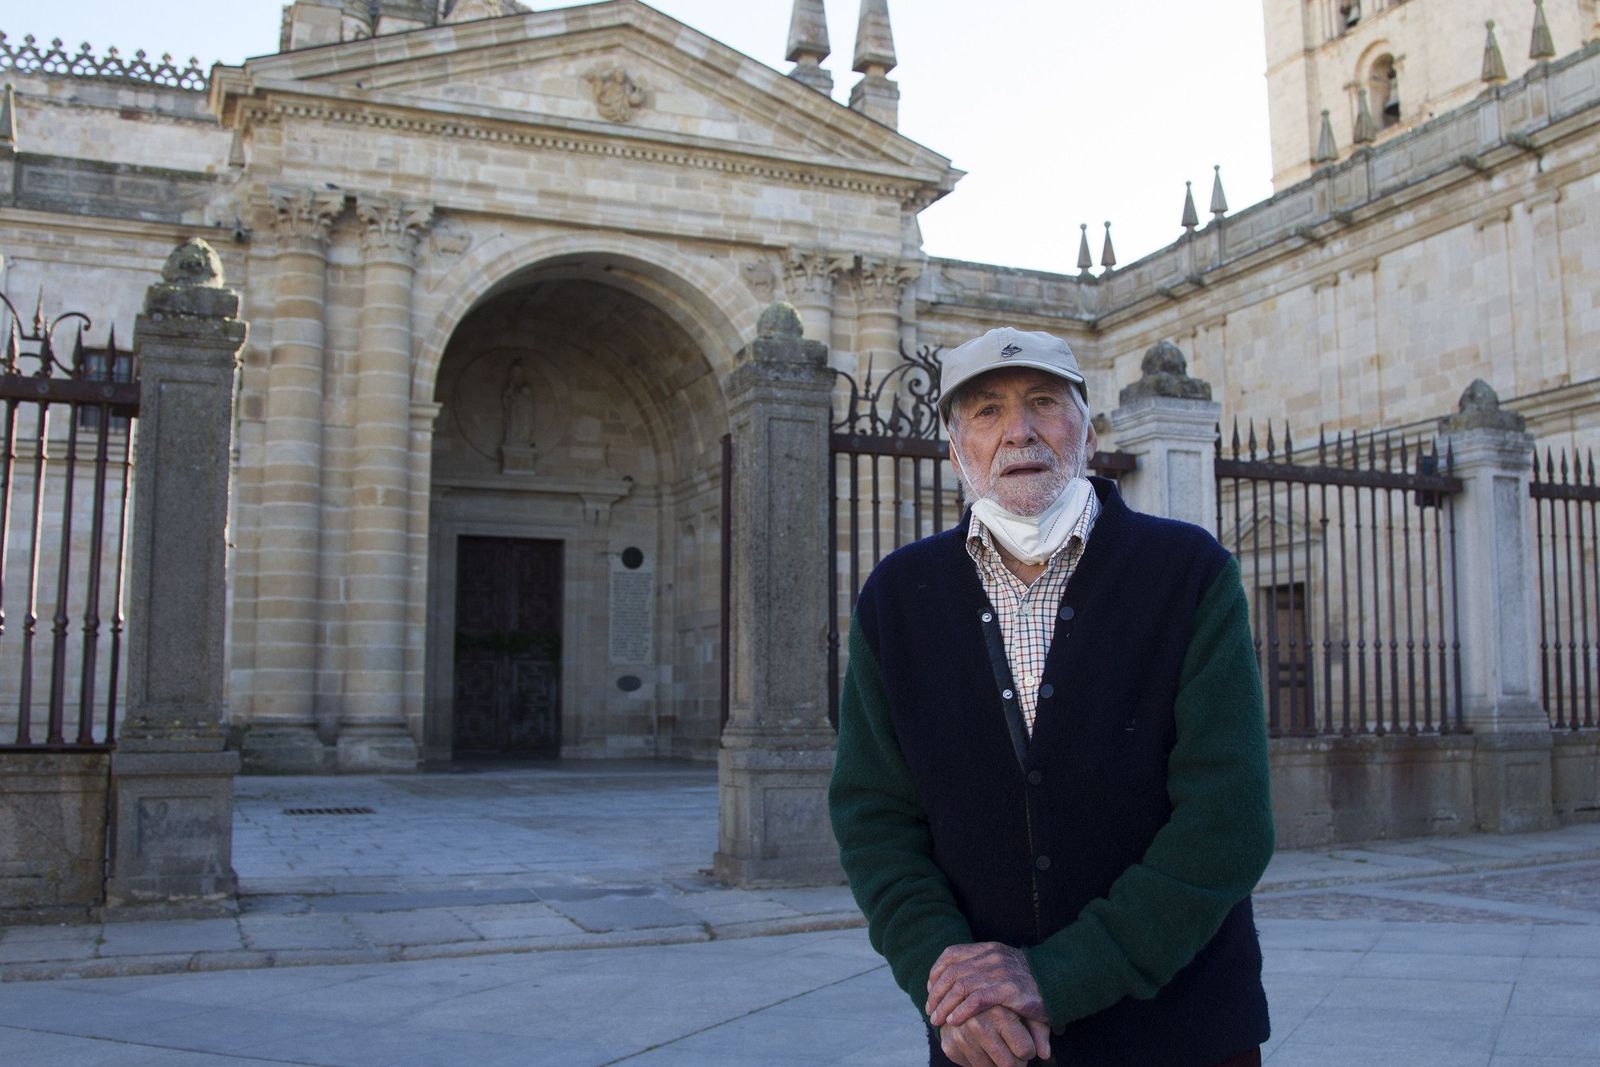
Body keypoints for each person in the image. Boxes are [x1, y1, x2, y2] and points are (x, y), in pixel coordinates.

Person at [829, 326, 1274, 1067]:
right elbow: (875, 821)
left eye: (1044, 402)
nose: (1020, 430)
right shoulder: (897, 598)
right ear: (953, 449)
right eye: (985, 411)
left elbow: (1227, 822)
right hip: (987, 1044)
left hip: (1183, 1034)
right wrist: (950, 983)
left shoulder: (1189, 574)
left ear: (1088, 433)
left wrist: (1054, 976)